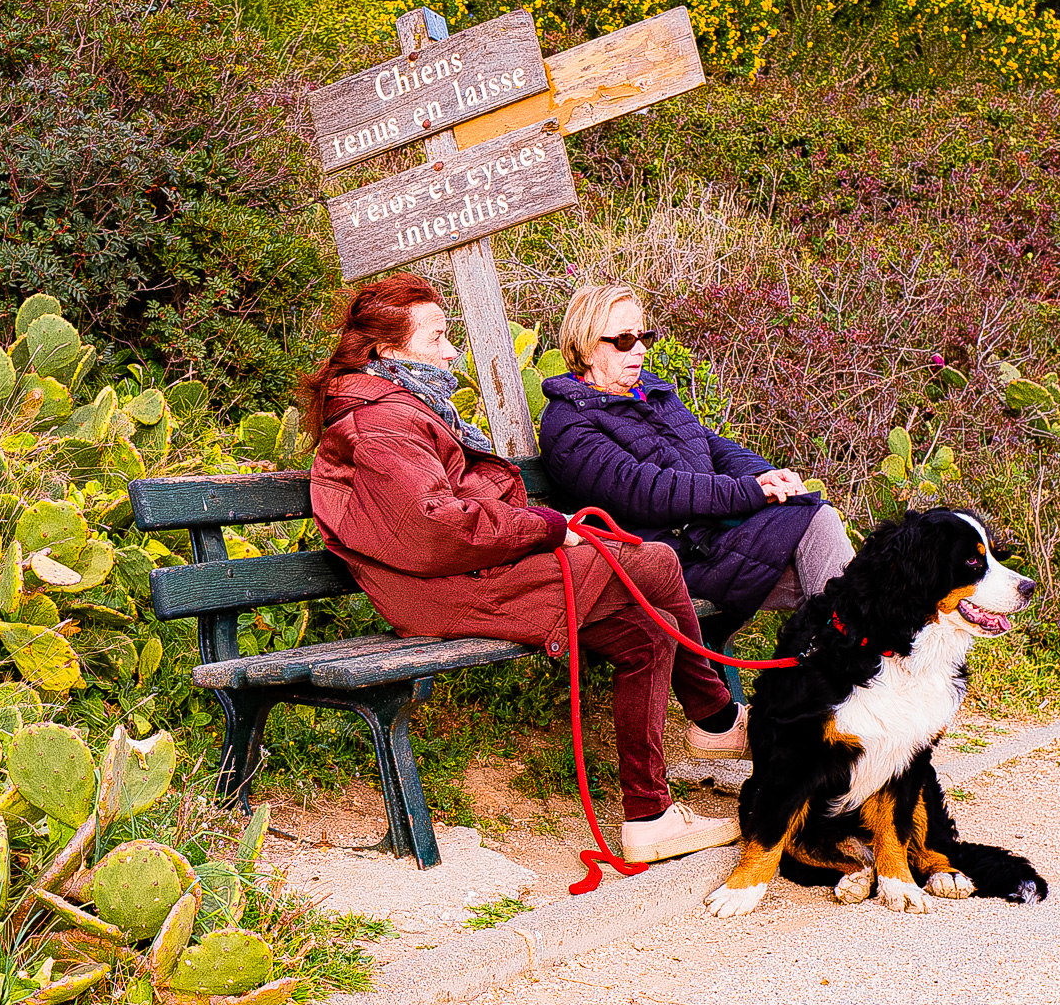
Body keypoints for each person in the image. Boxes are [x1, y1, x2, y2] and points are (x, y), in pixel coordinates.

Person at [301, 273, 745, 863]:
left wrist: (543, 526)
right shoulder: (383, 420)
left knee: (644, 636)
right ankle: (719, 718)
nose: (452, 351)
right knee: (656, 562)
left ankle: (649, 818)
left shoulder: (404, 406)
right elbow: (434, 529)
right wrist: (546, 528)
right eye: (436, 339)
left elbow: (456, 506)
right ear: (385, 350)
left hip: (467, 572)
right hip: (438, 591)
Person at [537, 284, 857, 684]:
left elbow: (710, 444)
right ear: (585, 348)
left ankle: (846, 675)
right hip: (667, 557)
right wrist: (749, 493)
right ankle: (856, 674)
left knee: (817, 534)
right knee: (819, 534)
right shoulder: (568, 425)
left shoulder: (649, 391)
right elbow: (647, 492)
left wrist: (764, 476)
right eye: (623, 340)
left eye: (643, 337)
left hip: (708, 540)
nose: (638, 349)